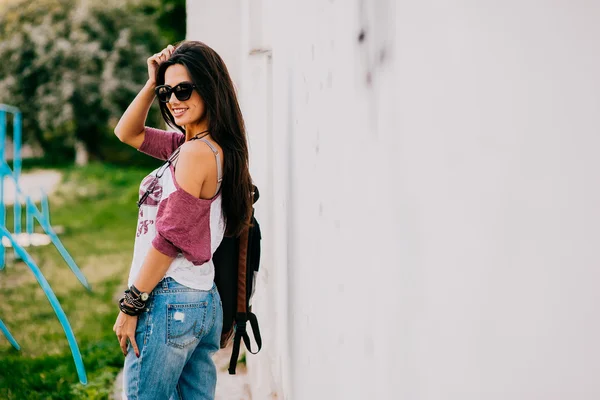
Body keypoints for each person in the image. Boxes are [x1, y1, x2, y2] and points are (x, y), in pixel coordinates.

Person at [112, 41, 253, 400]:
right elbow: (127, 133)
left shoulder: (194, 153)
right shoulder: (198, 146)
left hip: (167, 300)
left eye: (184, 89)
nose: (173, 99)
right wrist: (150, 83)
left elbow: (168, 239)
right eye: (167, 90)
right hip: (200, 301)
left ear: (209, 89)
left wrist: (131, 305)